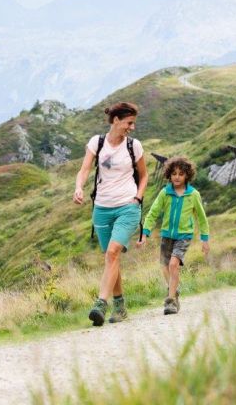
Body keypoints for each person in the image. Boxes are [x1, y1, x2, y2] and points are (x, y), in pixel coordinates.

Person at [74, 102, 148, 326]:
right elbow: (85, 169)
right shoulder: (97, 143)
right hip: (102, 209)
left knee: (113, 252)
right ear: (116, 120)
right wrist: (78, 187)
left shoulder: (134, 146)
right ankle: (120, 306)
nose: (132, 127)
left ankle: (100, 304)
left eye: (133, 123)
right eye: (129, 123)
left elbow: (144, 176)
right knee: (111, 257)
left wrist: (138, 197)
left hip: (127, 206)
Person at [139, 156, 210, 315]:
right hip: (167, 236)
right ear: (169, 175)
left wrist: (205, 240)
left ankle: (170, 301)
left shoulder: (193, 195)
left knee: (173, 265)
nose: (177, 177)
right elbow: (153, 213)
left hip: (184, 236)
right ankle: (174, 291)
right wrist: (145, 233)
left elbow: (202, 218)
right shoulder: (165, 193)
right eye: (174, 173)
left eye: (181, 174)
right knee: (164, 267)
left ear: (187, 176)